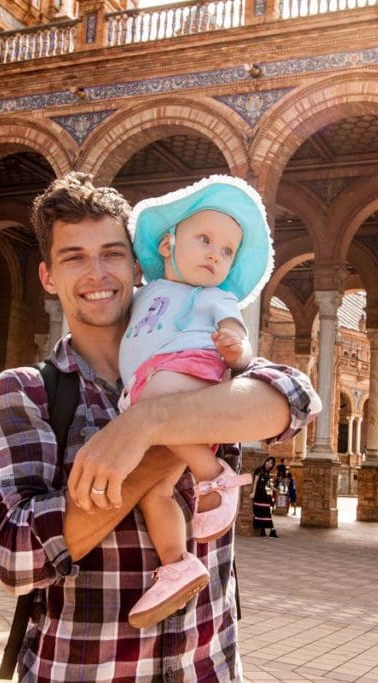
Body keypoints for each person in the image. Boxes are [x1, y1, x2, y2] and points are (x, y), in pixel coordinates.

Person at [0, 172, 319, 681]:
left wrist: (145, 422)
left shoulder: (206, 353)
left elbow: (294, 399)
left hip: (207, 668)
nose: (97, 273)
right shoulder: (25, 393)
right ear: (48, 276)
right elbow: (14, 555)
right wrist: (163, 447)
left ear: (137, 265)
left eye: (112, 253)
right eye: (74, 257)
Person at [116, 175, 272, 625]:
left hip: (190, 376)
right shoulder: (143, 295)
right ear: (167, 245)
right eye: (205, 240)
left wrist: (235, 350)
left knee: (153, 400)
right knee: (154, 488)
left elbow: (240, 336)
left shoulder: (215, 296)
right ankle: (176, 563)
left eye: (227, 251)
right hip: (148, 394)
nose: (215, 255)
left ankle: (213, 473)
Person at [251, 457, 278, 537]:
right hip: (258, 493)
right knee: (262, 511)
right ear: (265, 461)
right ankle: (270, 530)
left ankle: (264, 530)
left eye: (271, 463)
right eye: (268, 462)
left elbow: (268, 484)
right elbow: (255, 482)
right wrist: (253, 493)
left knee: (266, 511)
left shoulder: (267, 472)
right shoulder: (259, 470)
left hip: (264, 493)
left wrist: (274, 489)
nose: (269, 464)